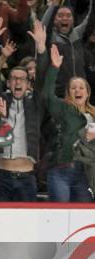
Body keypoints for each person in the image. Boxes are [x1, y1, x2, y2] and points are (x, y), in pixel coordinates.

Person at [0, 18, 48, 201]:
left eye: (22, 78)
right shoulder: (0, 100)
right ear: (8, 83)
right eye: (13, 78)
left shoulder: (35, 104)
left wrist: (41, 47)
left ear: (28, 84)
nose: (18, 81)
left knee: (27, 229)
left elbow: (43, 79)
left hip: (26, 178)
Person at [43, 44, 94, 201]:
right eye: (73, 88)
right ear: (68, 92)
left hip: (86, 173)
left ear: (87, 92)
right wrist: (54, 67)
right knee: (59, 217)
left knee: (84, 219)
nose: (77, 91)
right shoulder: (63, 108)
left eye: (81, 88)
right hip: (61, 170)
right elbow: (47, 95)